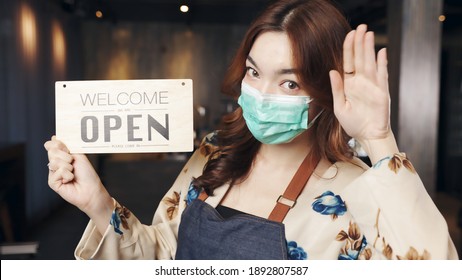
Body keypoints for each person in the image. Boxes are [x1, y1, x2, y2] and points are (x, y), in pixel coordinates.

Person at [45, 0, 458, 260]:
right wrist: (98, 204)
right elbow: (163, 255)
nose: (261, 94)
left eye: (289, 83)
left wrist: (378, 138)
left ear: (328, 91)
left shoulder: (354, 191)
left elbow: (431, 268)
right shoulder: (214, 152)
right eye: (254, 73)